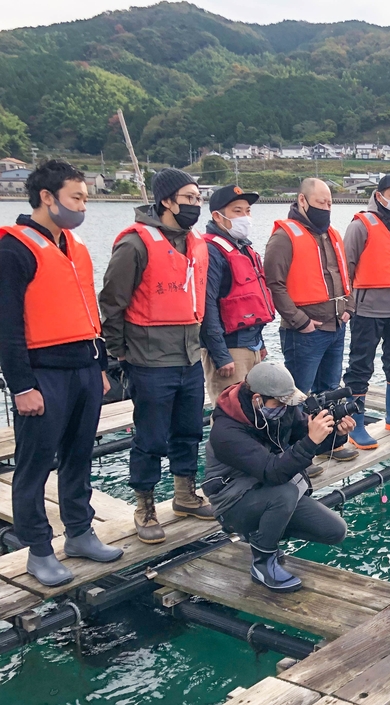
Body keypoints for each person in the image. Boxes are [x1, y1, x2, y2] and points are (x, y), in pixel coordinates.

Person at [0, 160, 123, 586]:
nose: (83, 205)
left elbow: (88, 310)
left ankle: (79, 531)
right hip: (43, 373)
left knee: (79, 455)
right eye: (77, 197)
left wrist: (101, 365)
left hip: (86, 367)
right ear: (47, 197)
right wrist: (21, 385)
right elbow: (7, 326)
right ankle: (37, 549)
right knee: (34, 466)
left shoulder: (74, 246)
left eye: (86, 198)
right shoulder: (13, 249)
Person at [99, 167, 215, 545]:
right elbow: (112, 304)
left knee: (189, 430)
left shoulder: (196, 244)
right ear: (166, 201)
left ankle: (185, 495)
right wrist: (119, 352)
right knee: (150, 437)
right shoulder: (134, 245)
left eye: (198, 199)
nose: (195, 205)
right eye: (188, 199)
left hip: (189, 356)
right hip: (149, 360)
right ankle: (144, 506)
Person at [203, 362, 351, 592]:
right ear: (257, 399)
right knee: (285, 491)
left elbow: (309, 439)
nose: (284, 407)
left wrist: (337, 435)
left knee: (335, 530)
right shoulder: (225, 432)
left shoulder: (283, 410)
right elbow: (272, 472)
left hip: (267, 492)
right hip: (231, 503)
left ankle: (260, 534)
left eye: (287, 402)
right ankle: (263, 562)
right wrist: (311, 441)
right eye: (280, 402)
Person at [263, 177, 358, 462]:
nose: (326, 208)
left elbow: (346, 277)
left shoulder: (334, 235)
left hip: (336, 326)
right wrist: (299, 320)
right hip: (304, 332)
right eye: (320, 203)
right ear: (302, 201)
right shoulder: (284, 237)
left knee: (330, 390)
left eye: (329, 203)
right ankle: (296, 453)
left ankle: (330, 444)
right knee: (299, 396)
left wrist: (349, 307)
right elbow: (274, 283)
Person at [341, 174, 390, 449]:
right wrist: (348, 305)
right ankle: (356, 424)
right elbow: (346, 267)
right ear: (379, 195)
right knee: (360, 366)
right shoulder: (360, 224)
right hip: (367, 309)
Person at [200, 185, 274, 405]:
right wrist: (221, 355)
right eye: (237, 211)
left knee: (256, 409)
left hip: (251, 343)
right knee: (230, 411)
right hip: (229, 347)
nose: (245, 217)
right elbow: (207, 304)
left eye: (247, 211)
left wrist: (260, 343)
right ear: (217, 216)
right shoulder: (211, 250)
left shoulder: (243, 249)